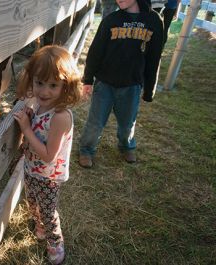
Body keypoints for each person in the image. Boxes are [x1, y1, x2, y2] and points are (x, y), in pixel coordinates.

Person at [13, 45, 81, 264]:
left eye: (53, 85)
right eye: (39, 83)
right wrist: (31, 117)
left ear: (66, 86)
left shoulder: (60, 116)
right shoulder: (41, 107)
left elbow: (49, 155)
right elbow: (38, 134)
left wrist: (26, 129)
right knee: (32, 202)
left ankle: (55, 242)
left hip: (48, 176)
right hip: (32, 169)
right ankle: (39, 225)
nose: (44, 91)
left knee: (48, 211)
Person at [78, 0, 164, 168]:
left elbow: (154, 57)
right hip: (105, 83)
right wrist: (88, 79)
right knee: (95, 122)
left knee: (127, 122)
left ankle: (126, 146)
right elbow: (96, 51)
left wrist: (149, 88)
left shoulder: (153, 21)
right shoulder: (111, 20)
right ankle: (86, 150)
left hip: (131, 84)